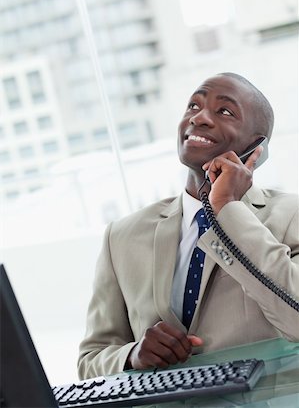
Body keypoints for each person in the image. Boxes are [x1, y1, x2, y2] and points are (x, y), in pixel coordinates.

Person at [78, 72, 299, 378]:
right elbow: (90, 361)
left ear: (256, 147)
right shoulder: (122, 236)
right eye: (193, 106)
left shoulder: (292, 217)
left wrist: (227, 209)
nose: (200, 118)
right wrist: (132, 355)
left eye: (225, 111)